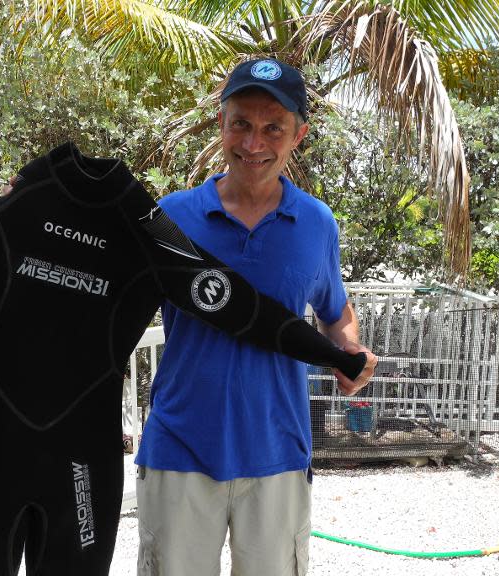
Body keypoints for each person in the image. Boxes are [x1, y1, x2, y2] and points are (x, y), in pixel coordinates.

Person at [134, 58, 377, 576]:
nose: (253, 143)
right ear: (221, 123)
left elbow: (336, 311)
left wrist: (349, 346)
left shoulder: (315, 223)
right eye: (241, 123)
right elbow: (101, 288)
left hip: (278, 451)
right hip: (179, 448)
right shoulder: (171, 217)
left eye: (273, 128)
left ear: (298, 135)